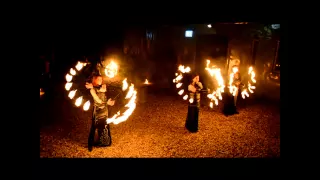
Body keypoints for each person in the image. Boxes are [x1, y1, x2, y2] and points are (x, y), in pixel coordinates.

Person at [85, 74, 115, 151]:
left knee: (105, 126)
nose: (100, 81)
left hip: (105, 110)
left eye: (101, 79)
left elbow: (104, 90)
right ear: (95, 80)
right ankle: (90, 145)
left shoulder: (102, 87)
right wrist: (107, 103)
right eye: (98, 79)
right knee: (93, 127)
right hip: (98, 111)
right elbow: (98, 100)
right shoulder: (92, 90)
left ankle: (105, 142)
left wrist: (110, 101)